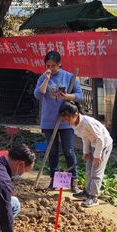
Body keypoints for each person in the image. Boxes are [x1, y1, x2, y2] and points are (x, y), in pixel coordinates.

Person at [33, 51, 83, 192]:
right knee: (52, 151)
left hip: (66, 120)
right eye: (48, 66)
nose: (51, 68)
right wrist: (46, 80)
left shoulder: (69, 77)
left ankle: (74, 180)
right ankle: (54, 180)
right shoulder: (43, 77)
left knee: (68, 150)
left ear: (59, 64)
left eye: (53, 66)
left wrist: (67, 96)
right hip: (49, 121)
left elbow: (80, 96)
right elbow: (38, 95)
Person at [59, 101, 113, 208]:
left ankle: (94, 197)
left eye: (68, 119)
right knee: (88, 170)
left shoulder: (87, 122)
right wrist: (86, 152)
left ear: (75, 114)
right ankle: (87, 192)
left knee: (96, 172)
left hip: (103, 145)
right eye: (64, 119)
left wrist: (97, 156)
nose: (67, 122)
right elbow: (85, 137)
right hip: (93, 144)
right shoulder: (75, 124)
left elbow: (100, 139)